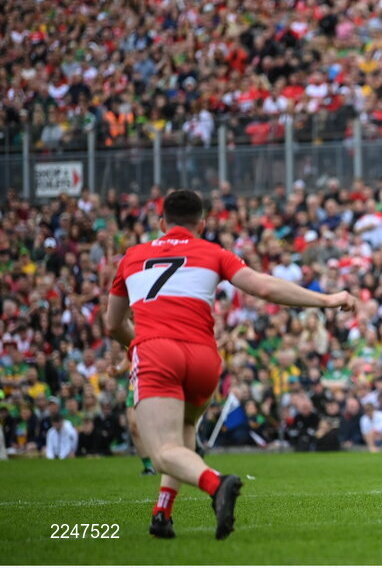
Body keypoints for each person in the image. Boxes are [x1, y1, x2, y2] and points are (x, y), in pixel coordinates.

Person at [105, 189, 355, 539]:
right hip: (204, 358)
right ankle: (162, 512)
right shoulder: (213, 252)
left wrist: (141, 346)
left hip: (157, 351)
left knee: (161, 452)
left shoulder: (132, 256)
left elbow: (113, 324)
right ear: (203, 223)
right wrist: (327, 299)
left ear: (161, 223)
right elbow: (263, 288)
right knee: (184, 432)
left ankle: (216, 483)